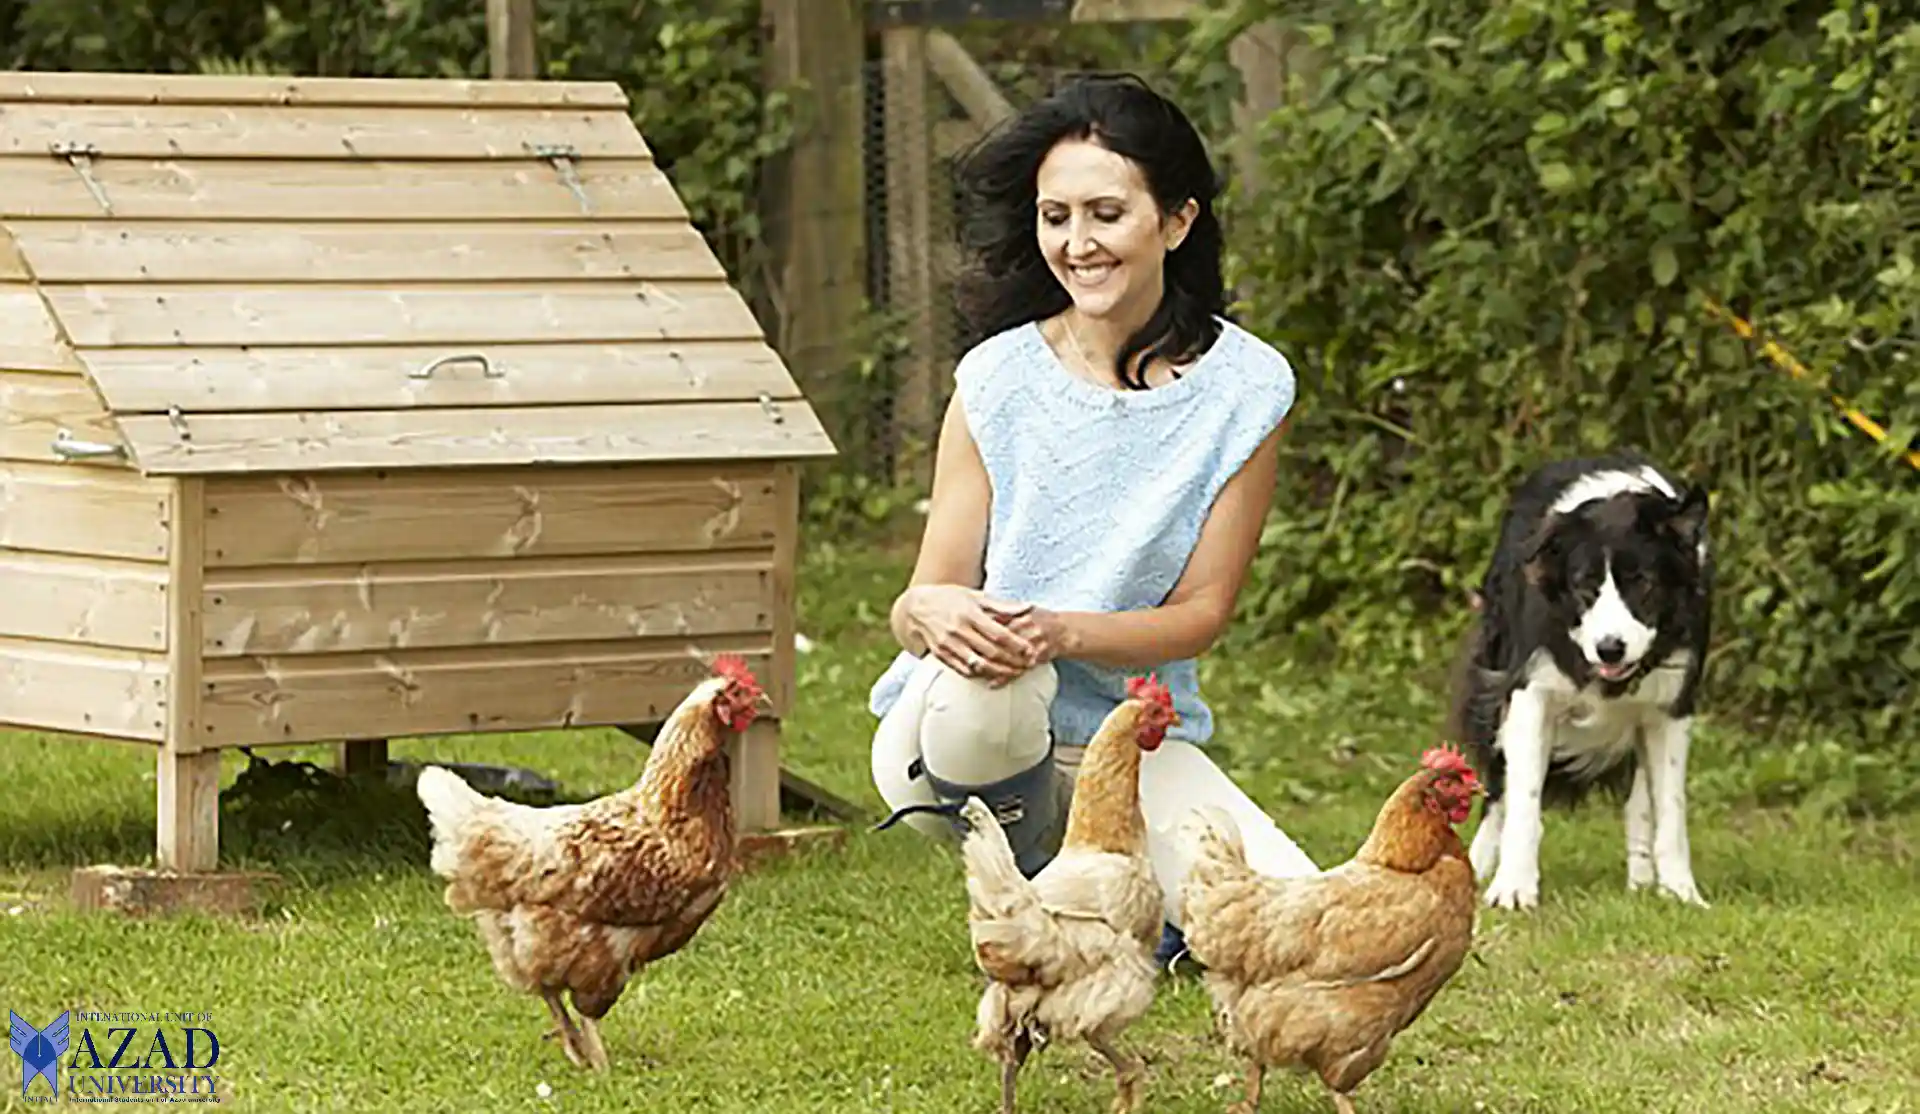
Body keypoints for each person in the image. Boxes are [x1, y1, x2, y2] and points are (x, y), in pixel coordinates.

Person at [866, 73, 1319, 965]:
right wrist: (935, 614)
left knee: (1287, 935)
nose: (1077, 244)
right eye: (1055, 216)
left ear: (1176, 222)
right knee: (993, 686)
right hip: (959, 734)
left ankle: (1115, 920)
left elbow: (1202, 613)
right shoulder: (997, 380)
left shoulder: (1249, 390)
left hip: (1126, 742)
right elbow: (920, 599)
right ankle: (1049, 887)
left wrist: (1060, 629)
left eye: (1105, 213)